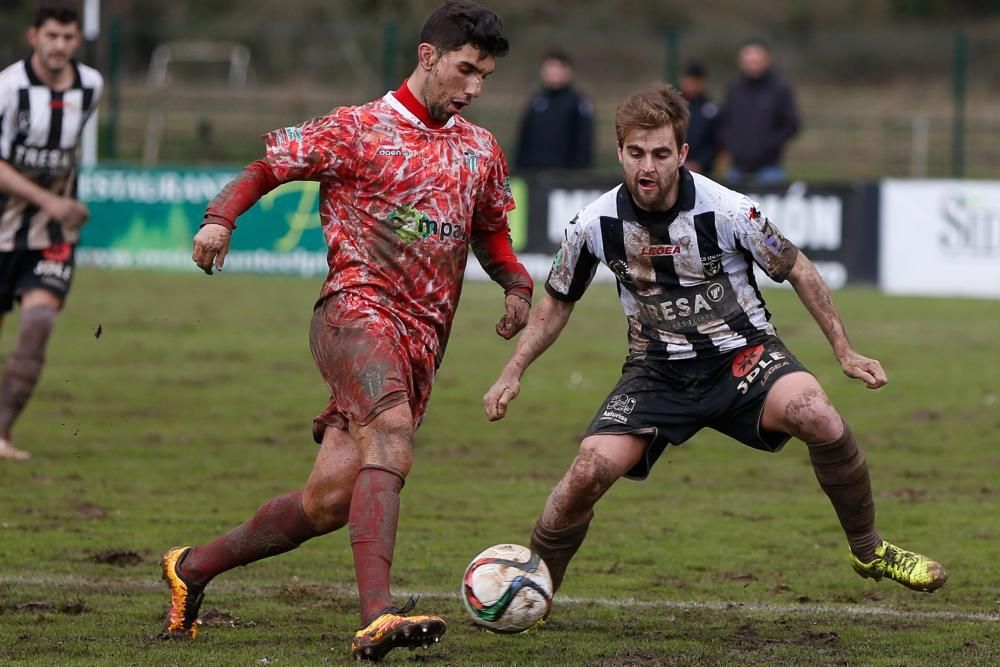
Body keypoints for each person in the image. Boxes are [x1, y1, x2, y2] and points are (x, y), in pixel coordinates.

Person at [158, 1, 532, 661]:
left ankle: (191, 568)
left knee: (330, 498)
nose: (474, 88)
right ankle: (376, 614)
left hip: (420, 343)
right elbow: (270, 166)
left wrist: (516, 286)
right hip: (353, 312)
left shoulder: (479, 148)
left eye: (485, 78)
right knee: (391, 434)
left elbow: (491, 232)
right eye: (466, 70)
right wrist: (221, 217)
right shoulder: (359, 129)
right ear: (428, 55)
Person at [484, 84, 947, 606]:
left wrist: (845, 349)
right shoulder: (592, 224)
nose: (647, 167)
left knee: (816, 414)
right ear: (619, 152)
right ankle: (533, 592)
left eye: (661, 154)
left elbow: (797, 268)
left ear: (682, 154)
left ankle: (869, 550)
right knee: (587, 471)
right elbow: (556, 303)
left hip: (743, 357)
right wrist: (512, 369)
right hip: (655, 372)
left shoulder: (729, 211)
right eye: (636, 153)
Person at [0, 0, 102, 461]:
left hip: (52, 233)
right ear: (33, 36)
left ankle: (1, 433)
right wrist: (51, 200)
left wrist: (58, 208)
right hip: (6, 227)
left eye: (67, 37)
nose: (59, 45)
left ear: (76, 40)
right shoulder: (7, 87)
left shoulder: (91, 85)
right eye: (51, 36)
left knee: (39, 320)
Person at [719, 38, 799, 183]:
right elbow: (725, 121)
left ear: (767, 59)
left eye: (757, 59)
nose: (753, 64)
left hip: (769, 169)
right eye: (749, 59)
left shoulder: (780, 88)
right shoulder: (734, 88)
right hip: (737, 169)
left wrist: (768, 146)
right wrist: (732, 145)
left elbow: (791, 125)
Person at [514, 50, 594, 170]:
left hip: (565, 176)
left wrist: (578, 174)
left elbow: (584, 143)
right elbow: (524, 139)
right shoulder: (536, 101)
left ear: (568, 71)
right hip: (533, 174)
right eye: (550, 67)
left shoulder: (578, 103)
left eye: (559, 68)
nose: (554, 72)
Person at [678, 61, 719, 176]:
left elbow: (715, 142)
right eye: (689, 80)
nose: (691, 85)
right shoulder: (671, 106)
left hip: (703, 171)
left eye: (695, 81)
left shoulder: (710, 110)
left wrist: (700, 163)